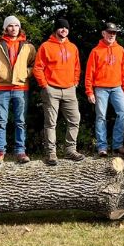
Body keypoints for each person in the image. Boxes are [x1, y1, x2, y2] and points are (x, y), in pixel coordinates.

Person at [0, 15, 36, 165]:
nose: (13, 28)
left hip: (21, 87)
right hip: (2, 88)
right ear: (5, 28)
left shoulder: (28, 46)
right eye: (10, 26)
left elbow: (35, 66)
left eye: (16, 26)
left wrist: (25, 73)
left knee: (20, 122)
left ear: (20, 27)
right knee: (0, 121)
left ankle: (20, 152)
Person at [33, 17, 84, 165]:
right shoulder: (46, 46)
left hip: (69, 89)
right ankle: (51, 153)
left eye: (66, 28)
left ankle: (70, 150)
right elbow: (38, 68)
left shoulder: (72, 47)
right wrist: (44, 85)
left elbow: (77, 67)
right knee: (51, 122)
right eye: (61, 27)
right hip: (51, 90)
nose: (64, 30)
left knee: (75, 120)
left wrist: (75, 83)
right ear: (56, 29)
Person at [84, 22, 124, 156]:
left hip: (117, 88)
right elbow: (89, 73)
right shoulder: (96, 51)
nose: (111, 35)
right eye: (109, 32)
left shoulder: (120, 50)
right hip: (100, 88)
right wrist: (89, 91)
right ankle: (102, 147)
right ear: (103, 33)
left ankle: (117, 145)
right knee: (101, 117)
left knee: (123, 113)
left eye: (114, 33)